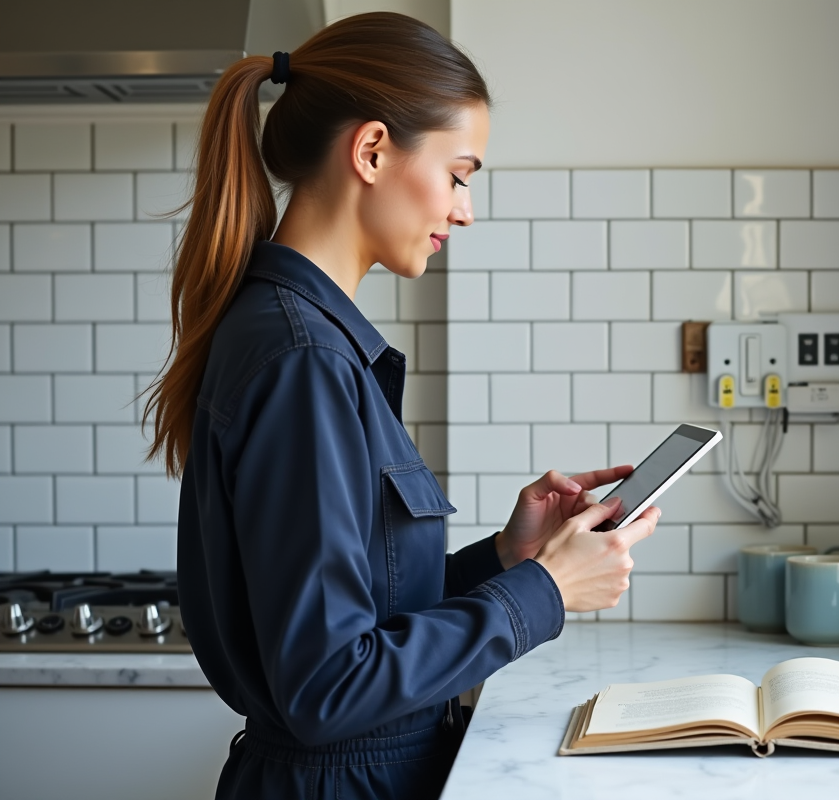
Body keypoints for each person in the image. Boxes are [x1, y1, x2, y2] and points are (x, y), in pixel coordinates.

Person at [144, 13, 659, 799]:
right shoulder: (304, 361)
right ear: (373, 150)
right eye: (458, 174)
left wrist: (508, 560)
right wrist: (545, 594)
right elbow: (328, 688)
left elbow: (365, 615)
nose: (465, 209)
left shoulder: (308, 343)